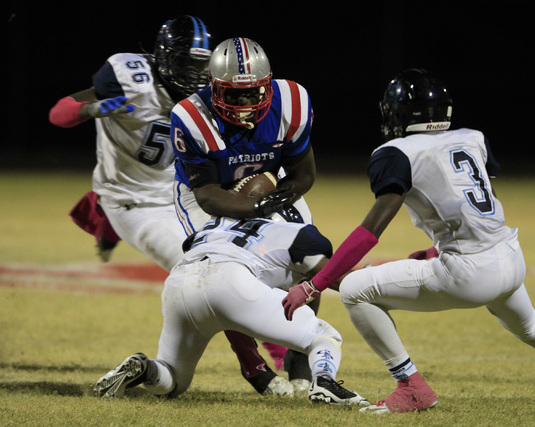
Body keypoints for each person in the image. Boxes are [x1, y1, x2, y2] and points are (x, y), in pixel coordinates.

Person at [282, 68, 535, 414]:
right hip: (509, 256)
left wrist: (314, 285)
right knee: (532, 326)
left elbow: (370, 231)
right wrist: (436, 249)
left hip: (469, 271)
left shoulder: (397, 152)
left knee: (355, 288)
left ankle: (412, 386)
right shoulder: (472, 137)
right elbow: (482, 203)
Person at [48, 16, 291, 397]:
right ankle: (257, 369)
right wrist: (89, 110)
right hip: (134, 202)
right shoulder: (128, 77)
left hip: (184, 193)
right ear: (162, 58)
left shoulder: (212, 94)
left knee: (241, 258)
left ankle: (281, 350)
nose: (194, 74)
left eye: (200, 65)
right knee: (206, 271)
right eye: (186, 63)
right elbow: (58, 112)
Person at [169, 37, 318, 393]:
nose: (245, 102)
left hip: (271, 186)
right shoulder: (190, 117)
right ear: (213, 86)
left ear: (268, 84)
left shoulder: (293, 102)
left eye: (253, 93)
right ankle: (252, 365)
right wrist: (256, 209)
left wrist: (274, 200)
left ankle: (299, 352)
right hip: (205, 195)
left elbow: (303, 175)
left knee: (307, 255)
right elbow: (207, 196)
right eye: (234, 94)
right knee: (225, 271)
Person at [93, 215, 368, 406]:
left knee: (173, 381)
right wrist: (373, 280)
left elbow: (190, 245)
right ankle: (325, 382)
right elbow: (332, 276)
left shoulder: (216, 225)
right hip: (231, 281)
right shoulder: (299, 233)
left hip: (179, 282)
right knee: (324, 335)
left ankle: (146, 368)